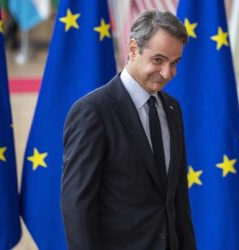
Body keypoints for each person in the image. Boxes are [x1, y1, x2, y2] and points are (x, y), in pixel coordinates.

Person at [61, 10, 196, 250]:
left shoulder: (173, 109)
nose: (167, 73)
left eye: (174, 63)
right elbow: (78, 206)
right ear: (132, 50)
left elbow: (178, 199)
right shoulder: (93, 111)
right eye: (158, 60)